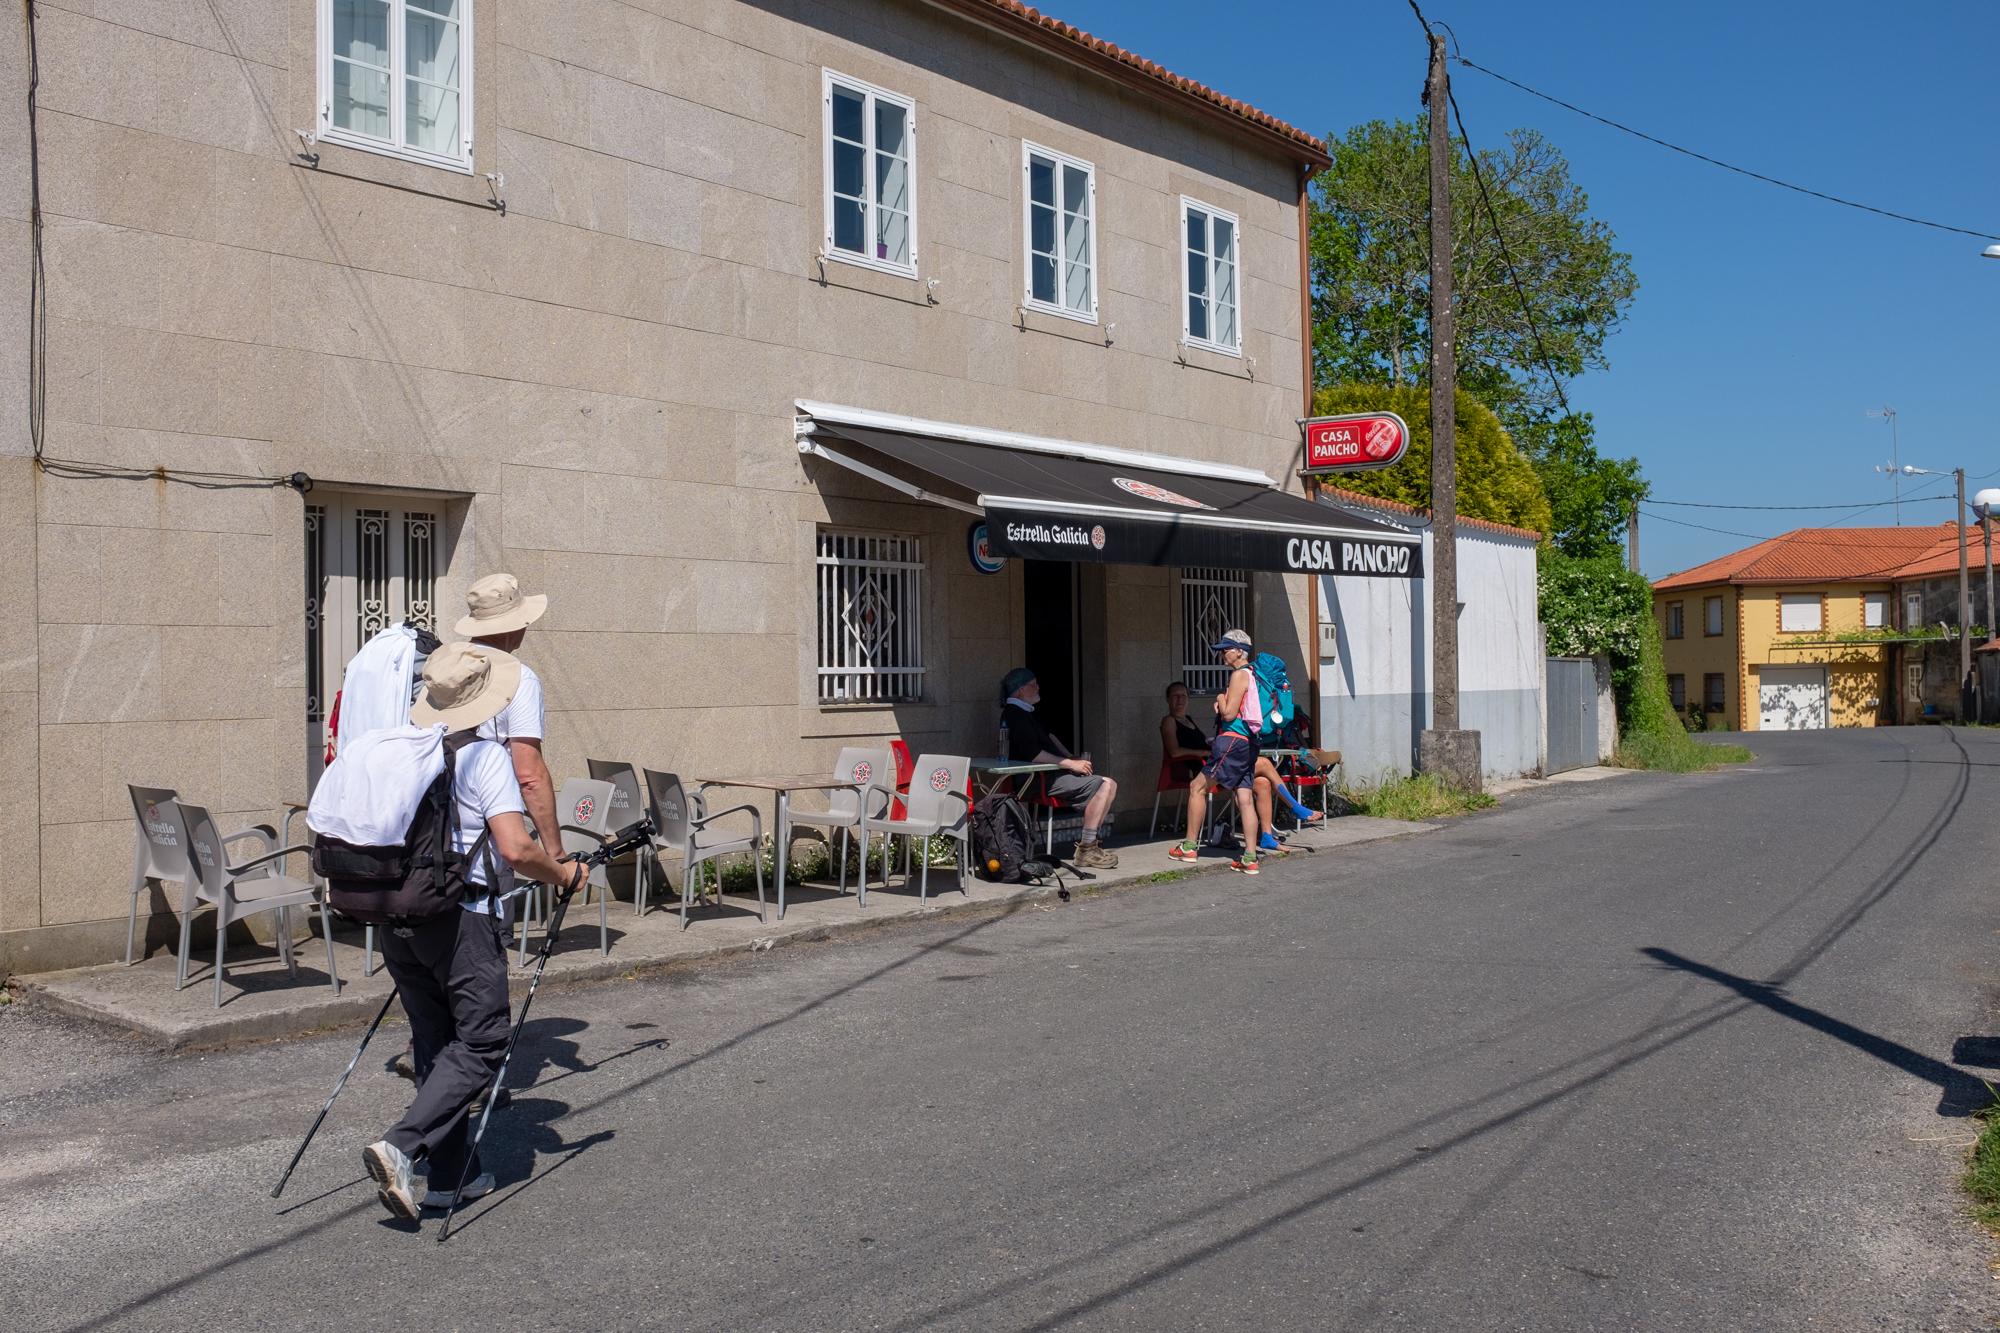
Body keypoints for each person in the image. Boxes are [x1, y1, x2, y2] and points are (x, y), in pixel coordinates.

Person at [362, 642, 585, 1222]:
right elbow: (514, 848)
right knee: (484, 1042)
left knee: (437, 1044)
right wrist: (562, 870)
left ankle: (450, 1175)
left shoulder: (401, 749)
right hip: (462, 917)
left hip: (399, 915)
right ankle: (402, 1145)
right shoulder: (483, 757)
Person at [457, 573, 561, 860]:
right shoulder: (519, 678)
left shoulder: (444, 667)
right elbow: (529, 775)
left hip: (437, 822)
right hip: (488, 823)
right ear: (513, 626)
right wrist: (556, 853)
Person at [1163, 679, 1321, 856]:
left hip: (1219, 762)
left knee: (1262, 783)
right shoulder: (1169, 721)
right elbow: (1174, 752)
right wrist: (1205, 752)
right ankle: (1294, 806)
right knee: (1264, 763)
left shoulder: (1189, 720)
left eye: (1183, 696)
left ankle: (1267, 836)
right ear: (1168, 699)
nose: (1180, 700)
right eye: (1175, 696)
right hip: (1203, 767)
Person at [999, 667, 1119, 868]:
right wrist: (1071, 764)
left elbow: (1050, 738)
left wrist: (1070, 757)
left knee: (1111, 783)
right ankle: (1087, 849)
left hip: (1049, 776)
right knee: (1102, 786)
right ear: (1019, 690)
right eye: (1032, 684)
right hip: (1035, 780)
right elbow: (1034, 755)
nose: (1038, 688)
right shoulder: (1015, 715)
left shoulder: (1027, 712)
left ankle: (1090, 843)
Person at [1169, 630, 1263, 874]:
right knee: (1244, 798)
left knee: (1196, 787)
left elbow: (1229, 714)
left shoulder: (1239, 675)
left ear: (1240, 651)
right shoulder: (1253, 675)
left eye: (1227, 648)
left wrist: (1220, 698)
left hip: (1231, 740)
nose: (1222, 653)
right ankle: (1250, 858)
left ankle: (1189, 847)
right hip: (1249, 743)